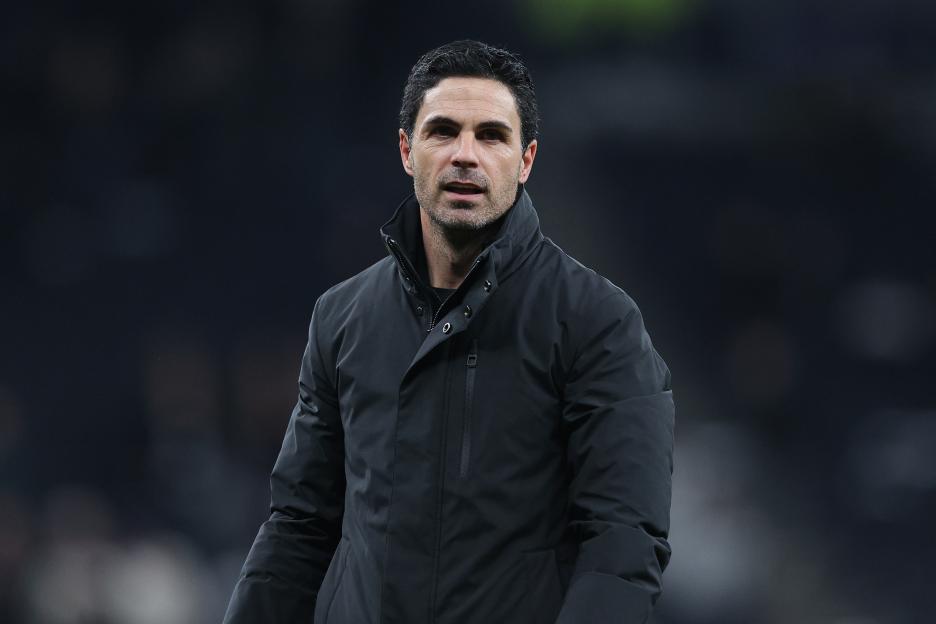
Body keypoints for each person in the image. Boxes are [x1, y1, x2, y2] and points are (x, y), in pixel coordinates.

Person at [223, 40, 675, 624]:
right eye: (443, 131)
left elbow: (623, 543)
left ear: (526, 159)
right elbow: (299, 528)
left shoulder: (600, 323)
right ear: (408, 150)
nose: (466, 155)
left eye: (491, 135)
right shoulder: (342, 317)